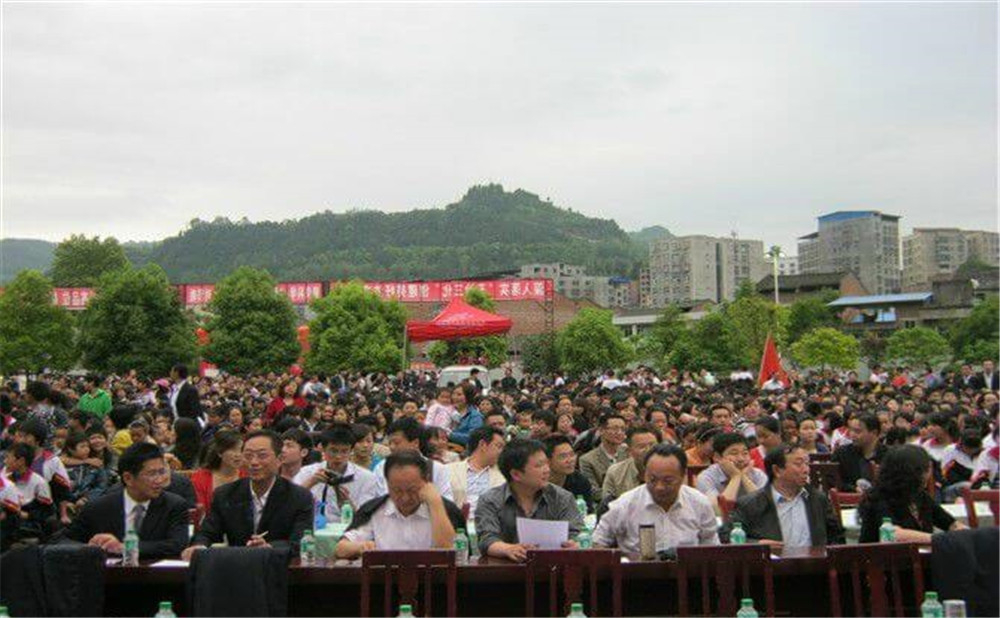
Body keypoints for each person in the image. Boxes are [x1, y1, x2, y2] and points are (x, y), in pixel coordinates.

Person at [182, 430, 314, 560]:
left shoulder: (299, 497)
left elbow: (299, 542)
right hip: (237, 568)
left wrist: (269, 547)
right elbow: (207, 532)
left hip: (279, 570)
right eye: (248, 456)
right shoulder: (225, 494)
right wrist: (199, 546)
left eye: (262, 456)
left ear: (279, 459)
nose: (254, 462)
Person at [58, 443, 190, 560]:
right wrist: (90, 548)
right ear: (128, 478)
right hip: (109, 581)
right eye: (152, 474)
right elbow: (62, 540)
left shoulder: (174, 505)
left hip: (158, 581)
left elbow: (176, 544)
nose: (159, 480)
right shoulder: (98, 507)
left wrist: (124, 547)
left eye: (162, 472)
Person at [335, 452, 464, 558]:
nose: (405, 498)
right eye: (397, 491)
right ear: (387, 483)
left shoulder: (444, 509)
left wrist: (435, 504)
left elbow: (449, 553)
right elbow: (341, 549)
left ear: (426, 481)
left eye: (412, 490)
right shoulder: (375, 509)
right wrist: (360, 547)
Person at [594, 444, 718, 553]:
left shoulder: (699, 503)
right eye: (652, 480)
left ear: (683, 475)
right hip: (635, 575)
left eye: (668, 481)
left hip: (689, 575)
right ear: (644, 475)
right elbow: (598, 542)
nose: (659, 487)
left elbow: (712, 548)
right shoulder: (624, 504)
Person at [474, 439, 584, 562]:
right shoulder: (490, 500)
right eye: (539, 465)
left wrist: (574, 544)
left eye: (547, 464)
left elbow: (577, 534)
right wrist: (509, 549)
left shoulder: (562, 497)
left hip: (555, 569)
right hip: (506, 571)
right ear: (516, 474)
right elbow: (487, 539)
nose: (547, 470)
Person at [726, 445, 845, 547]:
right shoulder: (750, 503)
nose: (806, 470)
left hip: (815, 568)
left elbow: (837, 537)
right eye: (799, 464)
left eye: (807, 463)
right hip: (770, 569)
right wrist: (757, 545)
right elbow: (726, 537)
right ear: (777, 470)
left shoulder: (818, 499)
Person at [858, 445, 967, 543]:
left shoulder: (920, 496)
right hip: (880, 561)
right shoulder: (879, 498)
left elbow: (951, 524)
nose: (929, 475)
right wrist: (940, 540)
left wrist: (971, 536)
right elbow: (894, 534)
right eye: (926, 470)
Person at [294, 424, 379, 525]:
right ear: (323, 449)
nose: (338, 456)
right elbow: (290, 505)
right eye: (333, 451)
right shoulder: (307, 472)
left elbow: (366, 519)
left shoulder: (367, 478)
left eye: (344, 451)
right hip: (311, 530)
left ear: (351, 450)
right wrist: (311, 483)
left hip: (349, 534)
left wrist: (347, 503)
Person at [373, 418, 454, 501]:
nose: (391, 447)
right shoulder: (381, 468)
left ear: (415, 443)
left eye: (396, 443)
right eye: (390, 443)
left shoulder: (437, 469)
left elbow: (447, 504)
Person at [446, 426, 506, 519]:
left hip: (492, 527)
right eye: (499, 446)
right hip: (457, 526)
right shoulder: (448, 470)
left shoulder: (505, 475)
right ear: (483, 445)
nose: (502, 452)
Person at [695, 433, 768, 507]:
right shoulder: (706, 477)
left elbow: (765, 505)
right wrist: (735, 476)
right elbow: (718, 510)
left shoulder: (757, 474)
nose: (741, 459)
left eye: (745, 453)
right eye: (734, 453)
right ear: (717, 457)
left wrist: (743, 477)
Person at [190, 430, 245, 514]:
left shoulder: (248, 475)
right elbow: (201, 511)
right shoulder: (200, 477)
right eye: (233, 449)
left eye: (241, 449)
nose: (238, 454)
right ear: (220, 452)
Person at [602, 424, 661, 502]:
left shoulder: (674, 470)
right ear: (630, 451)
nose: (648, 450)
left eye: (652, 445)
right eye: (641, 446)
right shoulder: (615, 472)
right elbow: (608, 507)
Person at [578, 413, 628, 504]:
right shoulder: (587, 459)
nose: (620, 432)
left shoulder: (629, 453)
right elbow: (593, 491)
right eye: (615, 429)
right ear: (601, 430)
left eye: (623, 429)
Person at [832, 413, 886, 492]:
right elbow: (833, 480)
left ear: (874, 432)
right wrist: (853, 489)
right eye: (850, 430)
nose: (852, 434)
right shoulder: (842, 453)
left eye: (857, 431)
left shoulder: (889, 455)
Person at [543, 435, 593, 512]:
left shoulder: (580, 481)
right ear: (547, 461)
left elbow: (587, 513)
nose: (570, 460)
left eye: (572, 455)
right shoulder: (536, 483)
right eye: (563, 456)